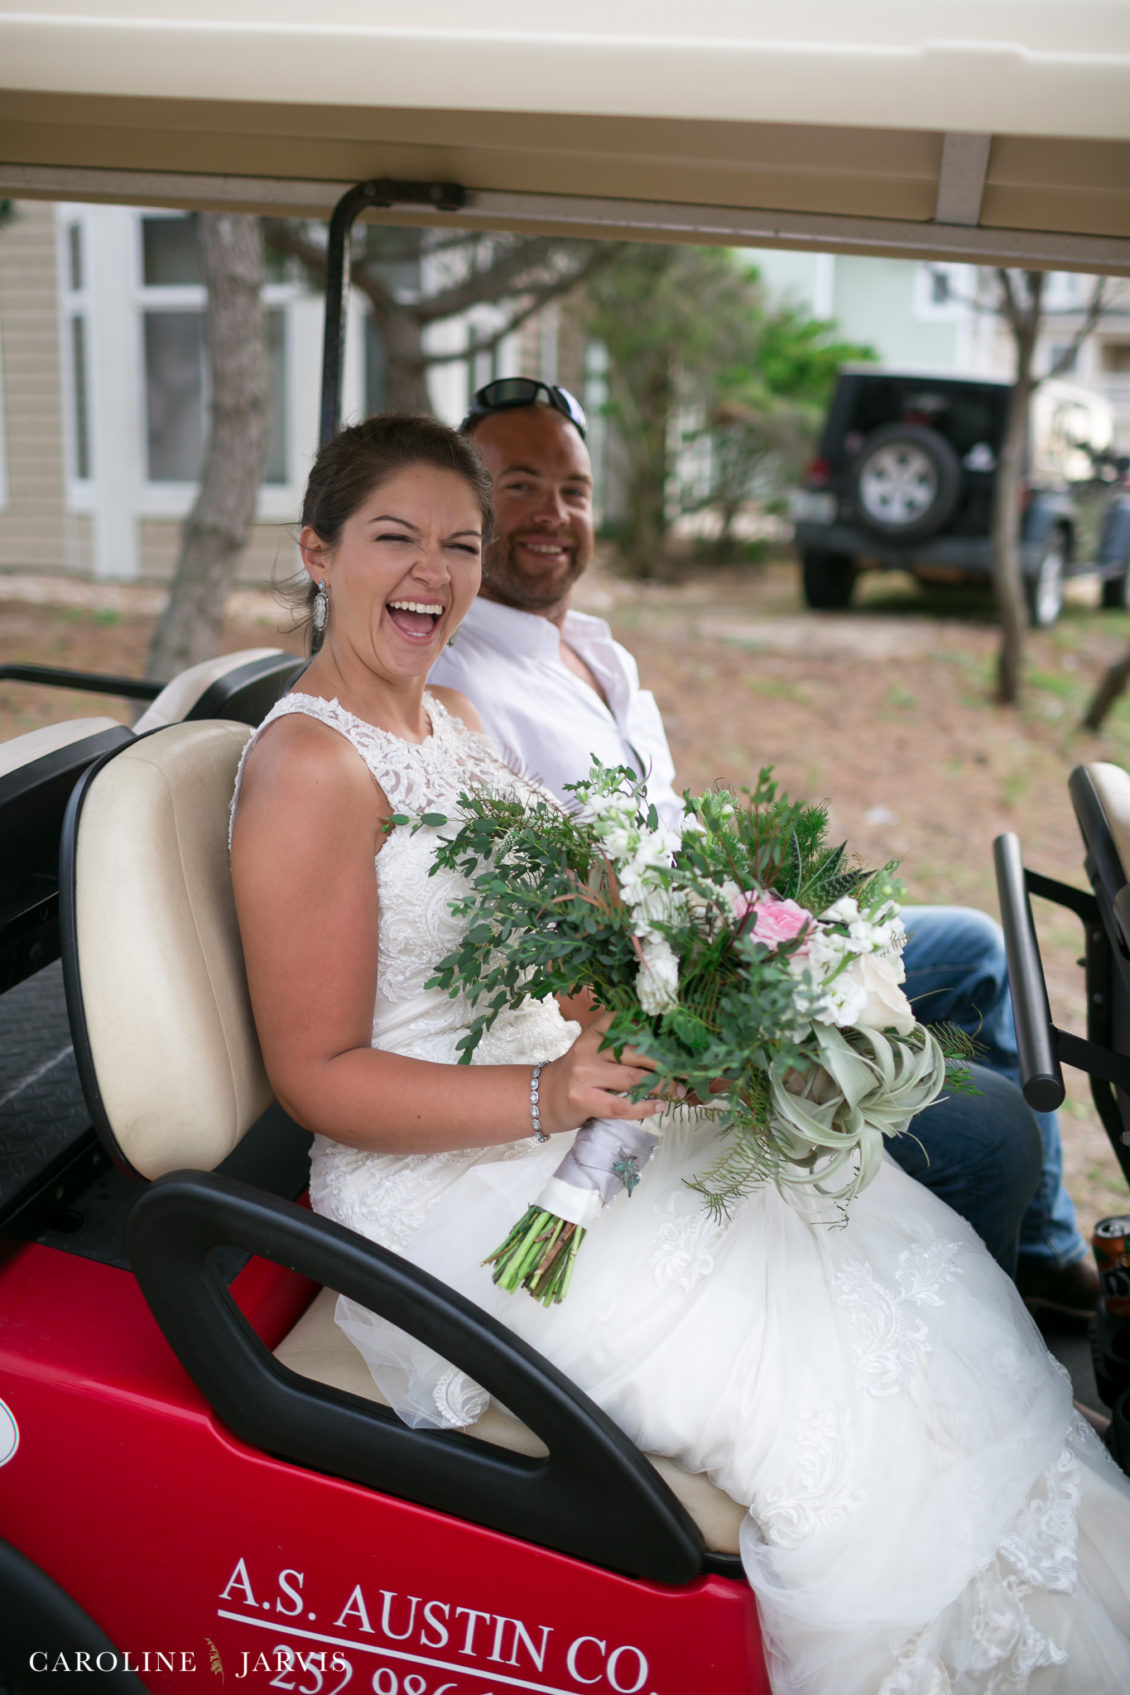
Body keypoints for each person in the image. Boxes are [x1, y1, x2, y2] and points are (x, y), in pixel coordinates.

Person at [230, 412, 1130, 1694]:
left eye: (459, 544)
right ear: (317, 551)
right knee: (828, 1375)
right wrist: (555, 1085)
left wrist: (640, 999)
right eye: (394, 539)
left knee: (892, 1257)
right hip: (438, 1188)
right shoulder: (311, 767)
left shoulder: (455, 726)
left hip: (555, 1107)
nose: (431, 572)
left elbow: (536, 936)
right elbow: (315, 1076)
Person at [431, 379, 1096, 1312]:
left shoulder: (596, 649)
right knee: (995, 1132)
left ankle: (1054, 1259)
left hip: (720, 932)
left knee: (980, 949)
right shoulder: (459, 680)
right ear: (464, 505)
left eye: (575, 490)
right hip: (657, 996)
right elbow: (552, 929)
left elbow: (667, 827)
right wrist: (729, 975)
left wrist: (778, 912)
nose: (554, 514)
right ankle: (971, 1322)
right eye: (520, 485)